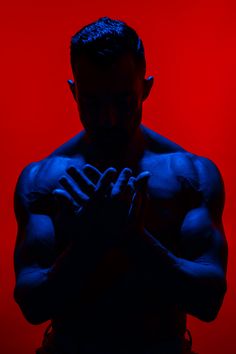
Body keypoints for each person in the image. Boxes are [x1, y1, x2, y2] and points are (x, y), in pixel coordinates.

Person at [13, 16, 228, 354]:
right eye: (93, 103)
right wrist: (91, 244)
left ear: (146, 88)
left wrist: (132, 238)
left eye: (123, 100)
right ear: (74, 92)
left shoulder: (191, 175)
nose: (108, 118)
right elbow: (32, 305)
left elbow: (209, 300)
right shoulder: (43, 180)